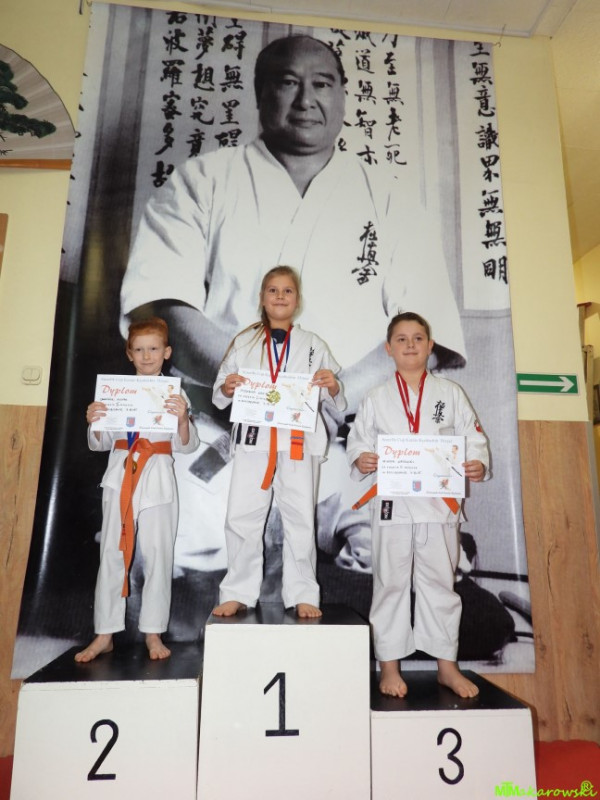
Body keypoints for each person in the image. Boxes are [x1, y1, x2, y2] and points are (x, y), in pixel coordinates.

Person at [120, 33, 466, 578]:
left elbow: (427, 331)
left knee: (428, 551)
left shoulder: (391, 195)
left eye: (322, 84)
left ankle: (322, 553)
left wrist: (334, 393)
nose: (307, 99)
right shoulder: (202, 180)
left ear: (343, 96)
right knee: (153, 541)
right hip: (223, 430)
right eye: (288, 83)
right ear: (260, 94)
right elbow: (162, 308)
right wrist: (261, 392)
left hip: (352, 432)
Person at [346, 312, 489, 698]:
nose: (410, 345)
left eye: (418, 338)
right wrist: (362, 458)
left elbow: (472, 437)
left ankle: (447, 667)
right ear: (389, 349)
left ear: (430, 346)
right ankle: (389, 666)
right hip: (392, 504)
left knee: (440, 583)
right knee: (390, 583)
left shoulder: (451, 394)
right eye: (402, 339)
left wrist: (477, 462)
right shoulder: (375, 397)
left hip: (438, 504)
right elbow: (358, 441)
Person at [212, 266, 345, 618]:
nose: (280, 296)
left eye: (288, 290)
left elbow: (334, 399)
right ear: (261, 298)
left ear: (297, 300)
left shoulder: (314, 344)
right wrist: (228, 387)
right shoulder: (243, 342)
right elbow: (219, 392)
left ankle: (303, 593)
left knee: (300, 518)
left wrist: (332, 385)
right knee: (242, 514)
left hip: (298, 441)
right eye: (273, 290)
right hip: (254, 439)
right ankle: (237, 590)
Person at [75, 317, 199, 662]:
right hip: (119, 474)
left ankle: (153, 633)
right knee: (112, 552)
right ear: (129, 353)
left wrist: (183, 419)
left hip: (158, 475)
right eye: (140, 350)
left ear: (166, 352)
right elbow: (100, 443)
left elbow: (187, 446)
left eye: (154, 349)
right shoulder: (114, 392)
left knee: (159, 554)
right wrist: (95, 420)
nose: (147, 356)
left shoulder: (176, 393)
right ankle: (104, 633)